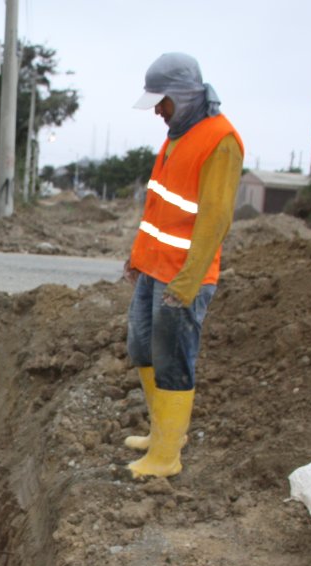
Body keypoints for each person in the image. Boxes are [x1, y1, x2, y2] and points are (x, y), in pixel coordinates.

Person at [121, 53, 244, 479]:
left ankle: (166, 456)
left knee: (173, 360)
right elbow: (159, 209)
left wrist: (189, 282)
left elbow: (216, 218)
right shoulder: (177, 135)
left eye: (163, 101)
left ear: (185, 95)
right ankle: (163, 434)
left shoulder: (220, 140)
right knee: (141, 347)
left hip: (182, 276)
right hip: (154, 267)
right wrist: (138, 257)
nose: (158, 110)